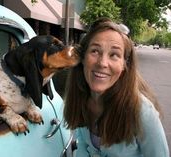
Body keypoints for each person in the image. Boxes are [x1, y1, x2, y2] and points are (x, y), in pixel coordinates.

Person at [63, 18, 170, 157]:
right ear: (83, 58)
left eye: (114, 55)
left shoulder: (141, 111)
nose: (102, 63)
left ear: (125, 64)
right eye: (95, 51)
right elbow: (83, 148)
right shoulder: (79, 101)